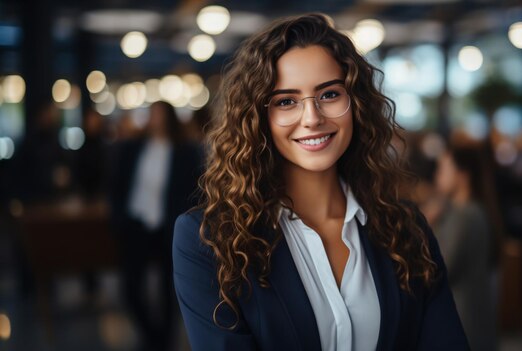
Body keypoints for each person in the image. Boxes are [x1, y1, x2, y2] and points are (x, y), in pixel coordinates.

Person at [172, 14, 468, 350]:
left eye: (329, 94)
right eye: (286, 101)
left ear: (355, 103)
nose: (312, 118)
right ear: (258, 118)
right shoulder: (209, 241)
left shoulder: (406, 227)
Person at [109, 101, 203, 351]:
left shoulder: (186, 150)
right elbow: (117, 184)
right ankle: (152, 337)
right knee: (130, 289)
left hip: (169, 227)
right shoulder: (133, 148)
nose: (154, 119)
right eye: (151, 114)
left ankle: (164, 341)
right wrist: (118, 217)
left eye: (159, 114)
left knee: (168, 290)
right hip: (136, 224)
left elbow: (195, 191)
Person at [431, 145, 499, 351]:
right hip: (472, 318)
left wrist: (427, 224)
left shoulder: (464, 215)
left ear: (462, 175)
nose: (438, 175)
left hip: (464, 321)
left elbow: (440, 269)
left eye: (443, 169)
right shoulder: (470, 210)